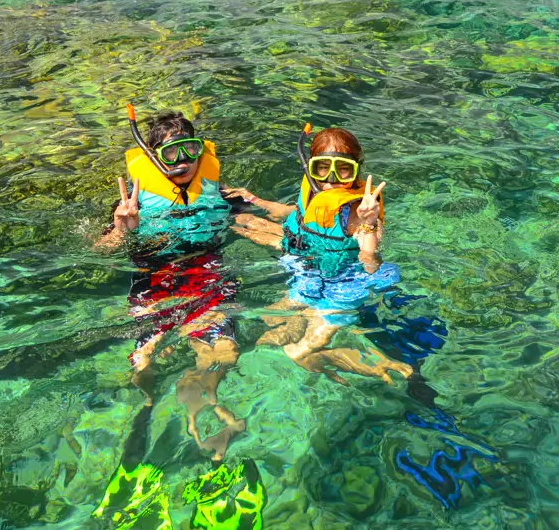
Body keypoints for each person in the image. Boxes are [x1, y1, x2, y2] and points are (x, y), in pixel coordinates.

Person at [95, 107, 246, 461]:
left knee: (227, 352)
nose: (183, 161)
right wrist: (121, 229)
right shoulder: (132, 204)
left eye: (190, 149)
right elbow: (100, 250)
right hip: (155, 279)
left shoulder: (217, 192)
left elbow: (268, 213)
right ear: (153, 158)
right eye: (170, 153)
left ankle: (203, 401)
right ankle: (151, 404)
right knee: (144, 362)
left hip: (206, 273)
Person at [228, 126, 410, 384]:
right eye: (323, 168)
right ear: (310, 168)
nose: (331, 178)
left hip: (343, 285)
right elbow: (301, 214)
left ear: (356, 170)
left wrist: (369, 222)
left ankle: (341, 359)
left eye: (343, 169)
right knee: (266, 322)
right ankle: (307, 348)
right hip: (307, 267)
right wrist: (258, 202)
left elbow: (369, 259)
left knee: (297, 349)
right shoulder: (314, 191)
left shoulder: (358, 209)